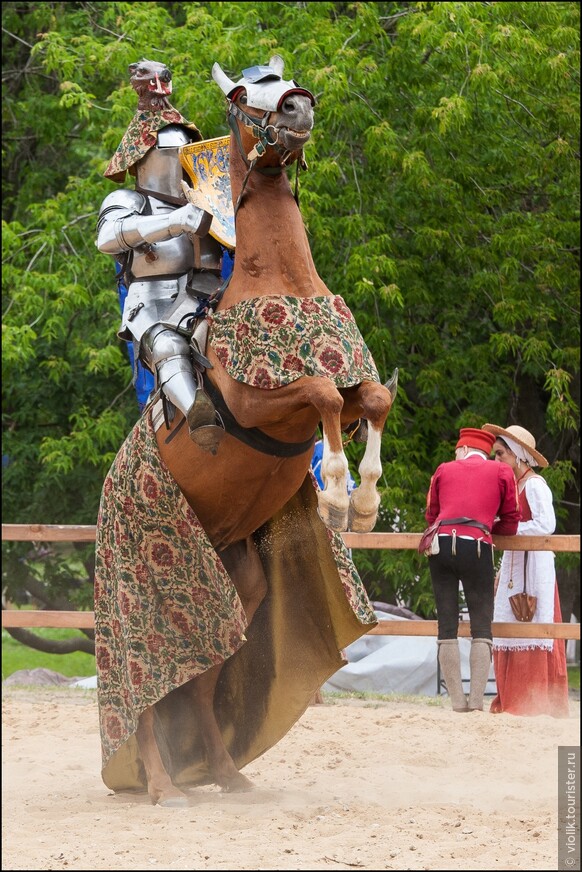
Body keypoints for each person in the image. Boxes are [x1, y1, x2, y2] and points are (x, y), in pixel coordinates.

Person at [96, 59, 226, 451]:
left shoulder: (207, 203)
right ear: (144, 159)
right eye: (171, 154)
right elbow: (107, 239)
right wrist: (173, 223)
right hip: (150, 301)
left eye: (186, 153)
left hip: (207, 296)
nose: (178, 162)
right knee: (167, 346)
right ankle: (200, 417)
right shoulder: (127, 199)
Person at [424, 428, 520, 712]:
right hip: (477, 544)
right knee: (481, 626)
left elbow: (431, 514)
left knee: (447, 625)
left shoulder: (443, 469)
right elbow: (512, 523)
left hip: (440, 544)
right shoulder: (502, 472)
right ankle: (476, 702)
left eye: (457, 450)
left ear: (464, 449)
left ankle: (456, 702)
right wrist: (488, 527)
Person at [481, 423, 570, 717]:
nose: (497, 460)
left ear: (518, 456)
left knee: (533, 623)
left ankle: (536, 702)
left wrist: (508, 529)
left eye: (501, 454)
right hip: (515, 565)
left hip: (534, 569)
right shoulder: (514, 487)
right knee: (508, 627)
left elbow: (546, 524)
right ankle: (513, 699)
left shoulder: (534, 485)